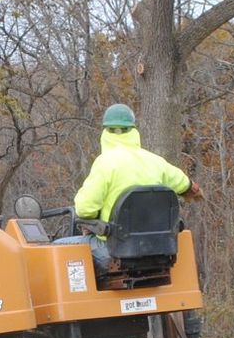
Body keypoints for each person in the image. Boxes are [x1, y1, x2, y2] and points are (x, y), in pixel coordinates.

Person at [70, 103, 199, 270]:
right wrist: (192, 188)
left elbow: (85, 209)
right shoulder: (155, 161)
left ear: (105, 132)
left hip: (113, 250)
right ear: (133, 130)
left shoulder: (105, 163)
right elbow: (183, 183)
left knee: (57, 246)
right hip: (157, 250)